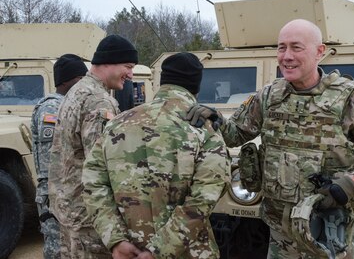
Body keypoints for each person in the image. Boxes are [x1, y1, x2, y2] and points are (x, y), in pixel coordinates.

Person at [187, 19, 354, 258]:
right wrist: (214, 119)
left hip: (329, 234)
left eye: (296, 47)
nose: (286, 56)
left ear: (319, 52)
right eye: (281, 47)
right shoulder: (270, 96)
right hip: (281, 236)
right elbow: (234, 135)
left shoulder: (349, 99)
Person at [81, 52, 230, 259]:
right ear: (196, 86)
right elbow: (204, 198)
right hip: (187, 251)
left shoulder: (116, 123)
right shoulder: (204, 129)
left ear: (162, 82)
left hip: (129, 250)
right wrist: (158, 251)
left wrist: (116, 239)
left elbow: (92, 184)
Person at [48, 34, 138, 258]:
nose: (131, 74)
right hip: (89, 218)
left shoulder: (76, 92)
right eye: (127, 66)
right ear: (108, 62)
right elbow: (103, 167)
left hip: (68, 208)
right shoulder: (98, 101)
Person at [31, 53, 87, 258]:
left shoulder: (67, 105)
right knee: (57, 250)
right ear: (70, 80)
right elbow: (50, 159)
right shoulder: (52, 107)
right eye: (81, 80)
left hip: (65, 192)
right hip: (55, 193)